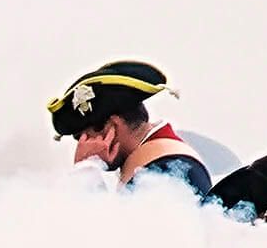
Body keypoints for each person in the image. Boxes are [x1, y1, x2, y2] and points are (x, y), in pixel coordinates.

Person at [46, 60, 212, 194]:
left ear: (112, 126)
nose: (81, 147)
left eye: (84, 137)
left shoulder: (166, 169)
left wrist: (86, 173)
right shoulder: (159, 164)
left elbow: (102, 233)